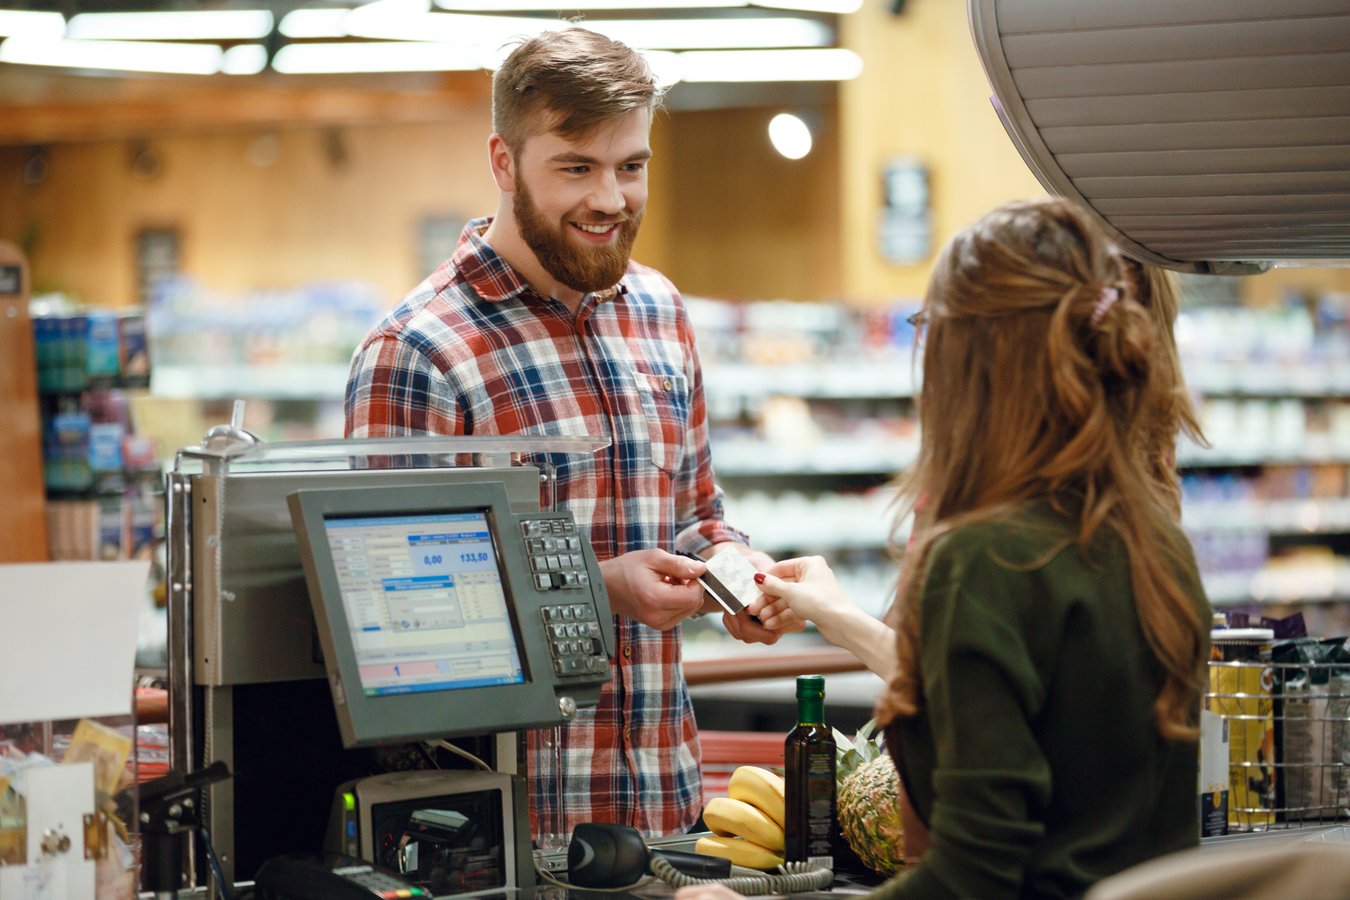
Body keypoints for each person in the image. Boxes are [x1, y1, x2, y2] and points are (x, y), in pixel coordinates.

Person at [685, 196, 1212, 899]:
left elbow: (974, 877)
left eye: (930, 328)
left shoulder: (984, 560)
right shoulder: (1155, 541)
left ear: (970, 356)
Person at [344, 27, 797, 842]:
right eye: (576, 168)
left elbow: (696, 508)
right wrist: (598, 587)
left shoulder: (660, 313)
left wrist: (737, 570)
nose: (611, 199)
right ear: (503, 162)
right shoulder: (419, 352)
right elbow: (392, 625)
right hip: (507, 839)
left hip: (671, 815)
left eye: (631, 166)